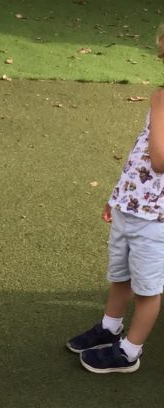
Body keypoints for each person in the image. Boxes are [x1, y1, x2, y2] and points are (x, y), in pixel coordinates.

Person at [67, 34, 164, 374]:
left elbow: (159, 160)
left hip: (156, 219)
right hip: (131, 204)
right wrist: (118, 195)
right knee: (120, 274)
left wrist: (160, 106)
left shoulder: (161, 100)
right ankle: (110, 327)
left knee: (148, 290)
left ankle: (130, 352)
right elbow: (140, 155)